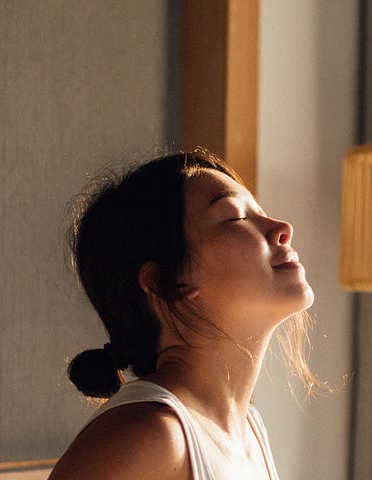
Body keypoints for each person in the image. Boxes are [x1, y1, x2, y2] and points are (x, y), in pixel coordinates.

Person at [49, 151, 320, 479]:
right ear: (168, 283)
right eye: (235, 216)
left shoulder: (249, 430)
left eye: (260, 211)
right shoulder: (150, 435)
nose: (282, 228)